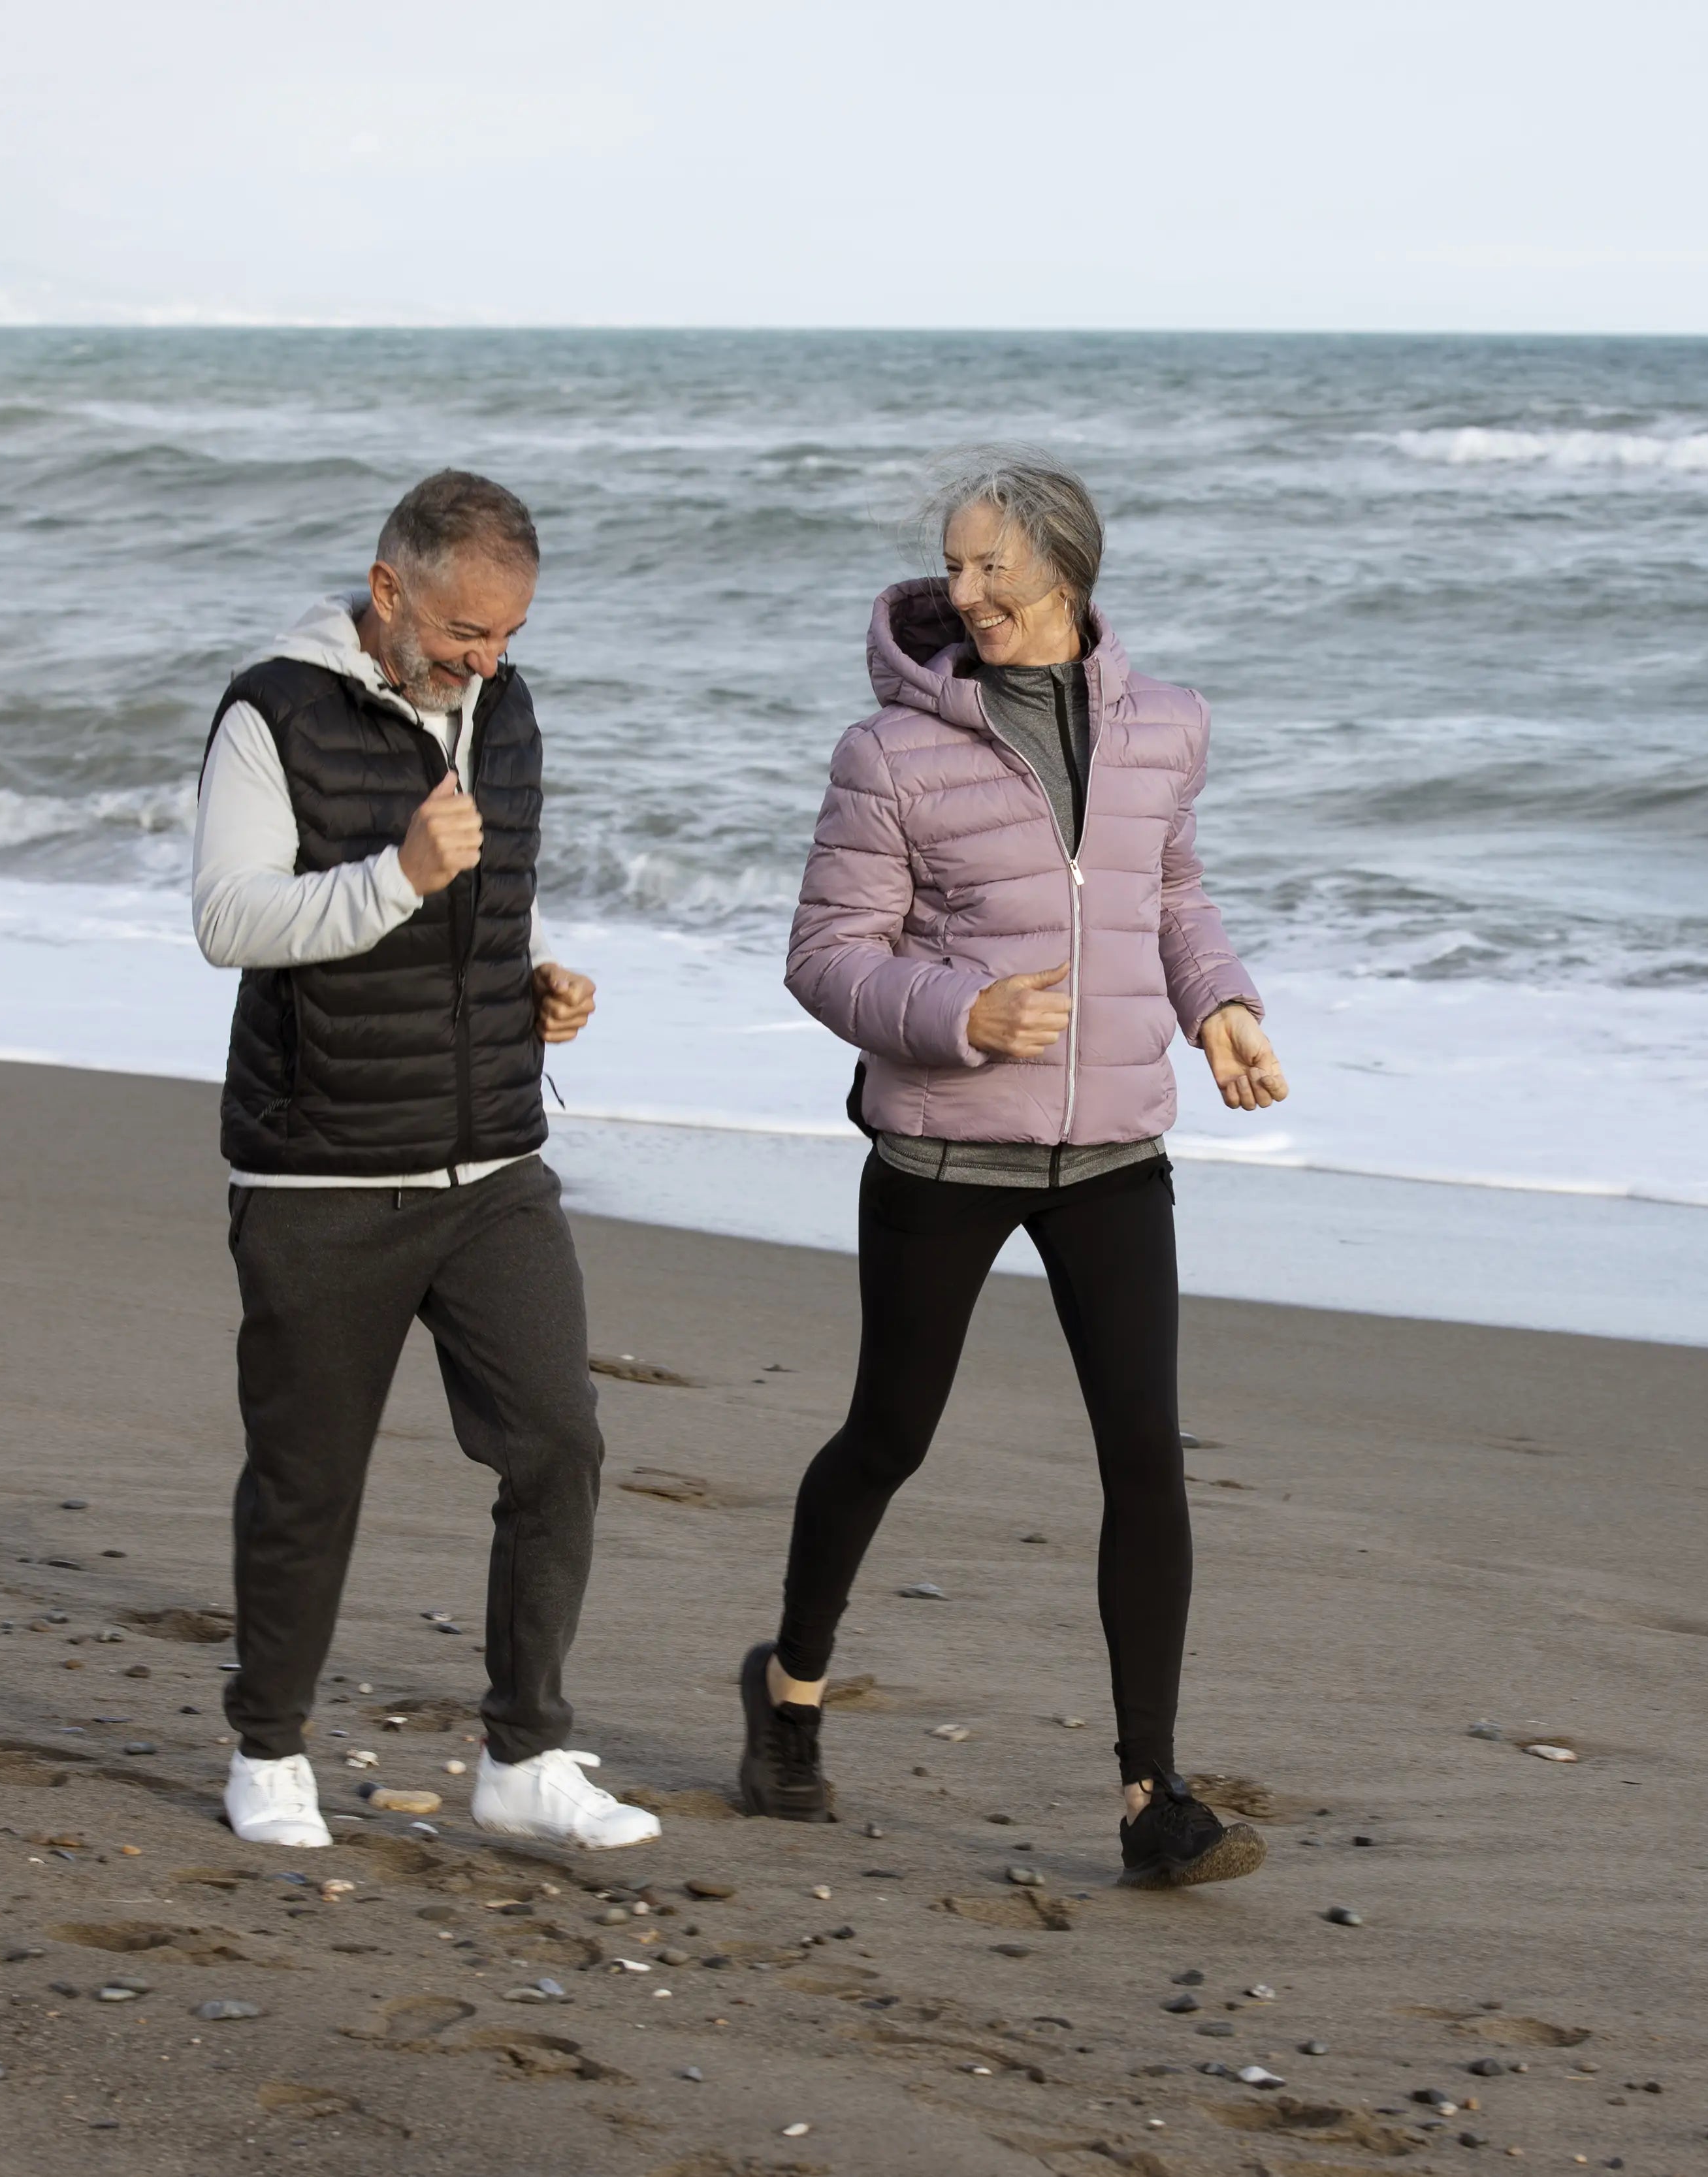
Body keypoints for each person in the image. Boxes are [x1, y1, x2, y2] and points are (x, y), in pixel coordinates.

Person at [742, 448, 1290, 1886]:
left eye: (992, 563)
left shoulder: (1168, 726)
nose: (966, 588)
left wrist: (1219, 1005)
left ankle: (1152, 1795)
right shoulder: (890, 751)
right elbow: (825, 955)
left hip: (1113, 1146)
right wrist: (960, 1015)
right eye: (954, 563)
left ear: (1065, 568)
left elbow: (1169, 893)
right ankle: (789, 1687)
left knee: (1144, 1453)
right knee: (889, 1435)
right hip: (943, 1145)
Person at [192, 468, 657, 1854]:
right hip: (321, 1170)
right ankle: (268, 1747)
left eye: (509, 635)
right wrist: (398, 874)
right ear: (389, 591)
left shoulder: (505, 710)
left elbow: (490, 900)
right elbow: (229, 919)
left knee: (560, 1443)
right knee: (308, 1478)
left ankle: (525, 1754)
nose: (487, 661)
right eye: (465, 632)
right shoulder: (272, 711)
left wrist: (534, 976)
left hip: (494, 1160)